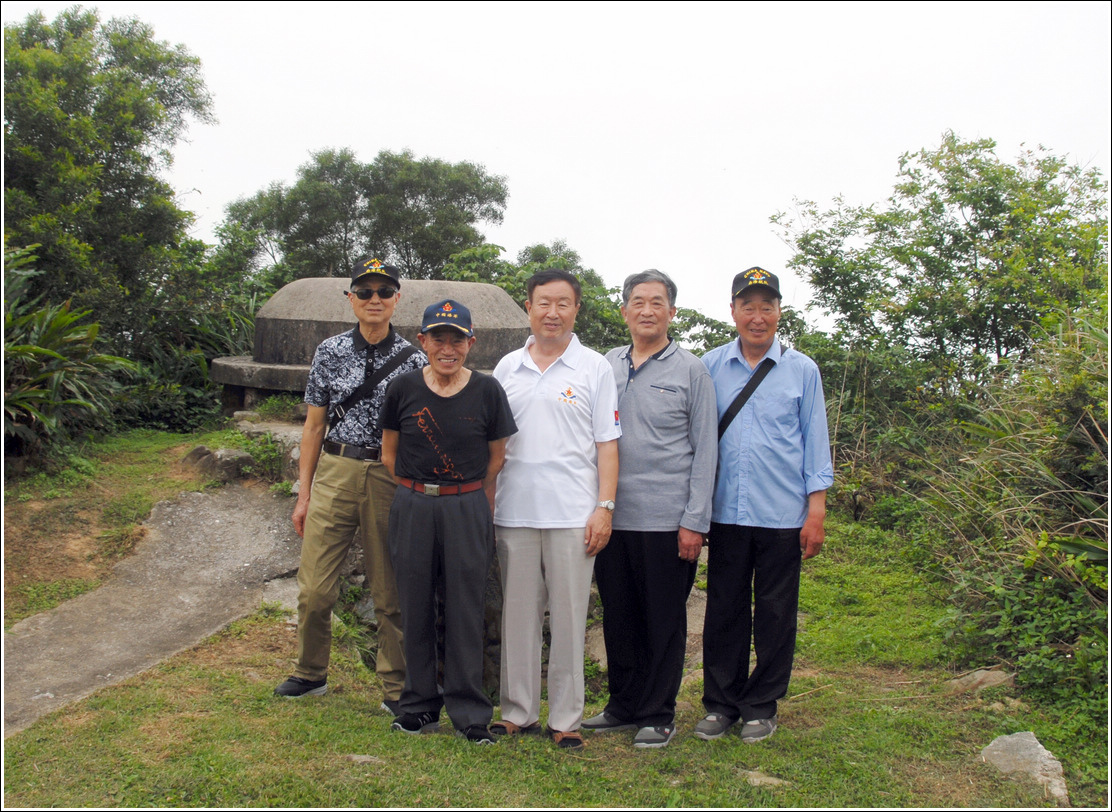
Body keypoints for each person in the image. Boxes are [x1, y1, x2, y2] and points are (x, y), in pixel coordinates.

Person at [274, 257, 426, 710]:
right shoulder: (329, 351)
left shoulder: (415, 361)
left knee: (390, 589)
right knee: (315, 587)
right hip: (336, 471)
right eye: (365, 292)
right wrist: (304, 492)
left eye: (383, 292)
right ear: (351, 299)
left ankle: (396, 687)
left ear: (397, 299)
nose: (374, 300)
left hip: (387, 474)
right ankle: (309, 671)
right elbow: (314, 427)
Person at [695, 266, 833, 743]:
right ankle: (720, 703)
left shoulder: (802, 370)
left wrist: (816, 512)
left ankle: (761, 704)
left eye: (766, 306)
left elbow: (816, 443)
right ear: (732, 311)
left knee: (776, 612)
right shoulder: (710, 366)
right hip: (725, 513)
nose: (758, 316)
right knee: (725, 609)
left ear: (779, 312)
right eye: (748, 306)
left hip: (782, 514)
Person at [583, 270, 718, 749]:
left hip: (667, 521)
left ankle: (658, 713)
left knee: (663, 618)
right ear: (623, 311)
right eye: (637, 301)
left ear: (671, 312)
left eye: (657, 302)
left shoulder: (691, 370)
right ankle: (623, 704)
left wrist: (695, 522)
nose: (646, 310)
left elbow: (706, 451)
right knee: (618, 614)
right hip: (611, 516)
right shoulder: (604, 365)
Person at [491, 268, 621, 751]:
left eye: (563, 303)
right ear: (528, 307)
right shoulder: (507, 367)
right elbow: (494, 444)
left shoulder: (593, 368)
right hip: (515, 511)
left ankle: (567, 718)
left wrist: (604, 507)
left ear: (576, 309)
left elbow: (607, 444)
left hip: (573, 514)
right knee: (518, 617)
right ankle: (517, 712)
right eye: (544, 302)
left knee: (569, 619)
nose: (553, 312)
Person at [380, 299, 517, 745]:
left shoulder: (487, 391)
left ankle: (470, 712)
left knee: (466, 608)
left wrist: (466, 498)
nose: (447, 347)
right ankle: (418, 706)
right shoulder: (402, 389)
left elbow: (496, 458)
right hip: (414, 503)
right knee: (415, 603)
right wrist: (420, 491)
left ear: (470, 343)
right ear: (422, 341)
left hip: (466, 505)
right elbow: (389, 454)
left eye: (456, 338)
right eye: (438, 337)